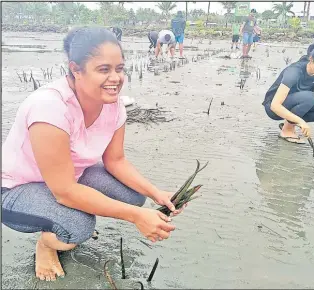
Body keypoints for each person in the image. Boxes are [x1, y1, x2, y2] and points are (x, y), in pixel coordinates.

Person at [1, 27, 186, 282]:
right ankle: (46, 243)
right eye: (104, 69)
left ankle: (66, 215)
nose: (116, 78)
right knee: (79, 226)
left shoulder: (114, 104)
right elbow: (64, 191)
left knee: (133, 196)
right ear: (76, 69)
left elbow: (115, 160)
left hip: (69, 177)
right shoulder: (49, 107)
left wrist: (156, 193)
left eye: (119, 69)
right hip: (17, 189)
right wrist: (135, 218)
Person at [262, 43, 314, 144]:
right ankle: (287, 130)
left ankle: (289, 122)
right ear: (311, 59)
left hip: (298, 103)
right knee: (308, 97)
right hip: (273, 107)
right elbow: (274, 105)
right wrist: (300, 122)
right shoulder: (294, 71)